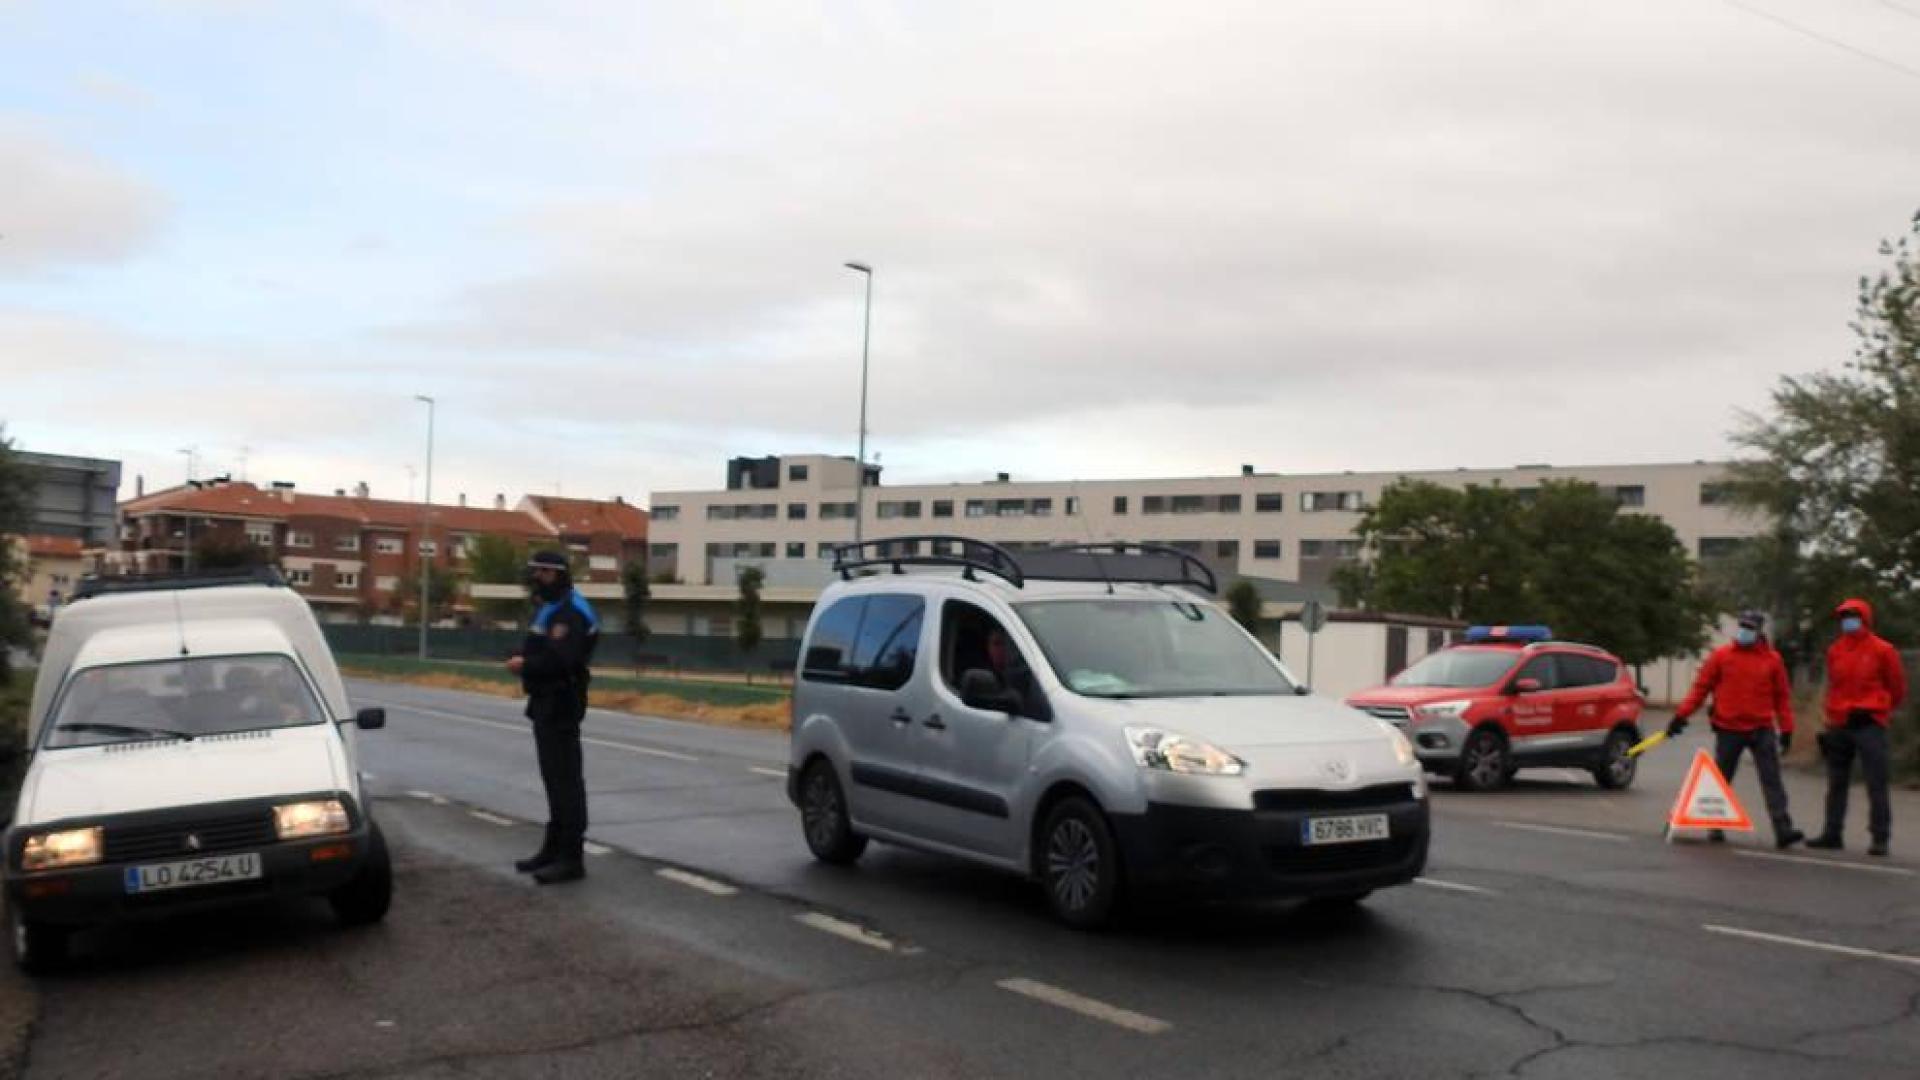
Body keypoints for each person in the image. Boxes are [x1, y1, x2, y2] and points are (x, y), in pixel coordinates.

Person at [1666, 611, 1803, 849]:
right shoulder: (1722, 656)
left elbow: (1782, 698)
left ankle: (1783, 829)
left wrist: (1787, 729)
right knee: (1720, 781)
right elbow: (1700, 688)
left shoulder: (1772, 661)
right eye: (1742, 626)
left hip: (1761, 728)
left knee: (1772, 781)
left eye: (1749, 628)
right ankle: (1715, 826)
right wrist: (1681, 716)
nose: (1744, 631)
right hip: (1729, 728)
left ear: (1759, 632)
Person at [506, 550, 600, 884]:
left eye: (544, 572)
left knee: (566, 781)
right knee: (552, 778)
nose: (538, 578)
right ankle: (553, 848)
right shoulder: (550, 607)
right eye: (536, 571)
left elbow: (561, 660)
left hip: (562, 701)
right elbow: (540, 647)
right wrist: (523, 657)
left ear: (559, 574)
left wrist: (525, 665)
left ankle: (571, 858)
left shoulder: (570, 611)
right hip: (545, 700)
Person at [1808, 599, 1907, 857]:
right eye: (1844, 616)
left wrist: (1879, 709)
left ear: (1865, 619)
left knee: (1876, 782)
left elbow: (1897, 687)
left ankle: (1880, 837)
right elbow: (1834, 686)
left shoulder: (1883, 650)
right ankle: (1832, 833)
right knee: (1836, 782)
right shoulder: (1836, 650)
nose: (1848, 621)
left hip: (1869, 724)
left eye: (1853, 616)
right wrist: (1830, 717)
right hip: (1840, 723)